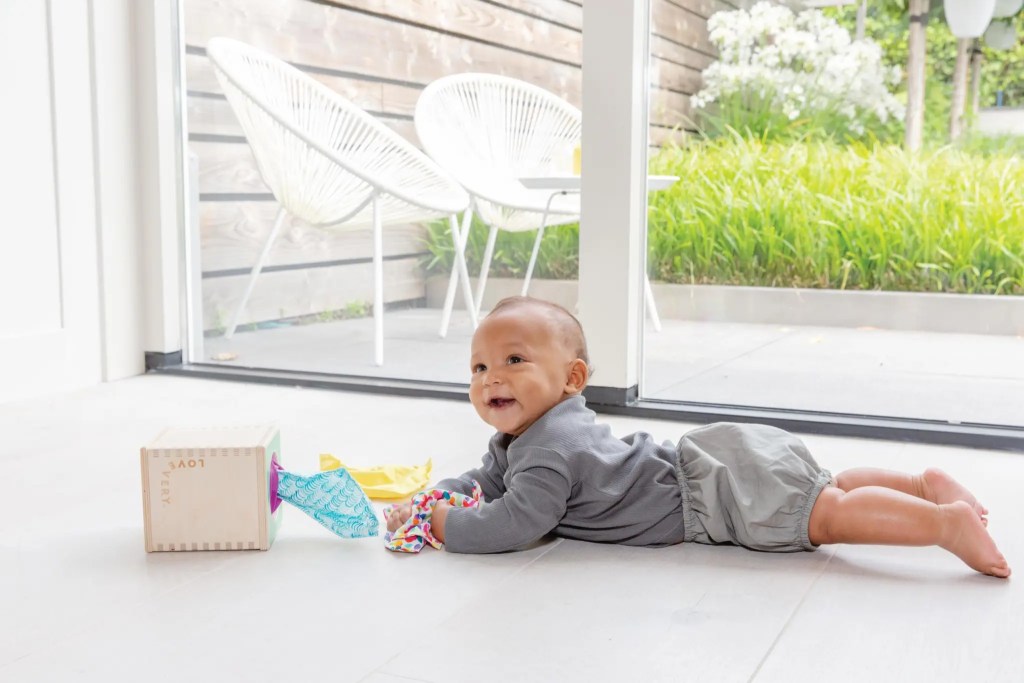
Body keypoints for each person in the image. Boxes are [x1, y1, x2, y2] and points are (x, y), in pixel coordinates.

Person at [385, 296, 1010, 578]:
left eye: (514, 361)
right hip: (707, 461)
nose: (491, 377)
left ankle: (943, 525)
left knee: (829, 515)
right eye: (478, 367)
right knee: (825, 489)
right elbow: (489, 481)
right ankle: (921, 483)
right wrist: (435, 496)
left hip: (711, 496)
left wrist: (443, 524)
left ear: (572, 379)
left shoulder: (547, 451)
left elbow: (517, 522)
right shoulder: (532, 435)